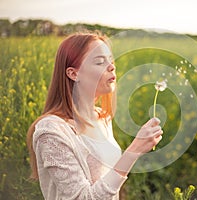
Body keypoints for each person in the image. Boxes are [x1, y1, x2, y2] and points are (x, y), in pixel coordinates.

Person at [26, 32, 163, 200]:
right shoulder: (51, 132)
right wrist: (134, 150)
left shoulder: (101, 118)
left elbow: (109, 182)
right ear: (73, 74)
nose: (111, 66)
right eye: (99, 61)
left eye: (110, 60)